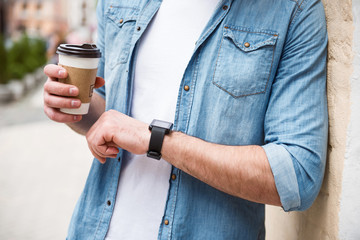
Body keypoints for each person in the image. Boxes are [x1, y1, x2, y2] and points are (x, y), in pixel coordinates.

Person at [43, 0, 328, 239]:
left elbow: (297, 173)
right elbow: (106, 112)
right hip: (94, 229)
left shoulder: (295, 9)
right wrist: (72, 104)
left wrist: (155, 139)